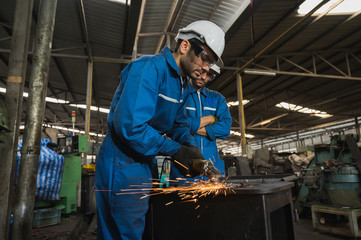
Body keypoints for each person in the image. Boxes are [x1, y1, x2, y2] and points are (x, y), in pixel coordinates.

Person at [95, 20, 225, 240]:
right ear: (184, 46)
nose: (206, 68)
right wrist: (175, 150)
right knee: (125, 232)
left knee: (143, 227)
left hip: (145, 160)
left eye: (210, 63)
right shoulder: (149, 68)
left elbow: (180, 123)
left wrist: (191, 148)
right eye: (204, 58)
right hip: (122, 161)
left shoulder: (182, 84)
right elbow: (131, 128)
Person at [170, 64, 232, 182]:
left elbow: (225, 128)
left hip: (212, 169)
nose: (203, 77)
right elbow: (172, 124)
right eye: (202, 71)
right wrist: (210, 119)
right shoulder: (179, 94)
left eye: (208, 74)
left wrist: (189, 126)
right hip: (184, 168)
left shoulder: (217, 99)